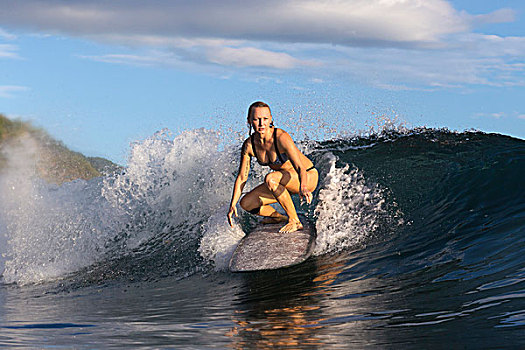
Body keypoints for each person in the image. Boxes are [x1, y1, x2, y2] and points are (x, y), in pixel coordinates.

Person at [227, 101, 318, 233]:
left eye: (265, 119)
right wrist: (232, 204)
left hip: (306, 177)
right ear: (249, 121)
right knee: (246, 203)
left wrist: (303, 187)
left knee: (271, 178)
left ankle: (295, 221)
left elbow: (300, 167)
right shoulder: (249, 145)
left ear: (270, 119)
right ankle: (278, 217)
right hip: (282, 181)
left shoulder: (281, 137)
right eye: (257, 119)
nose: (261, 123)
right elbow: (242, 177)